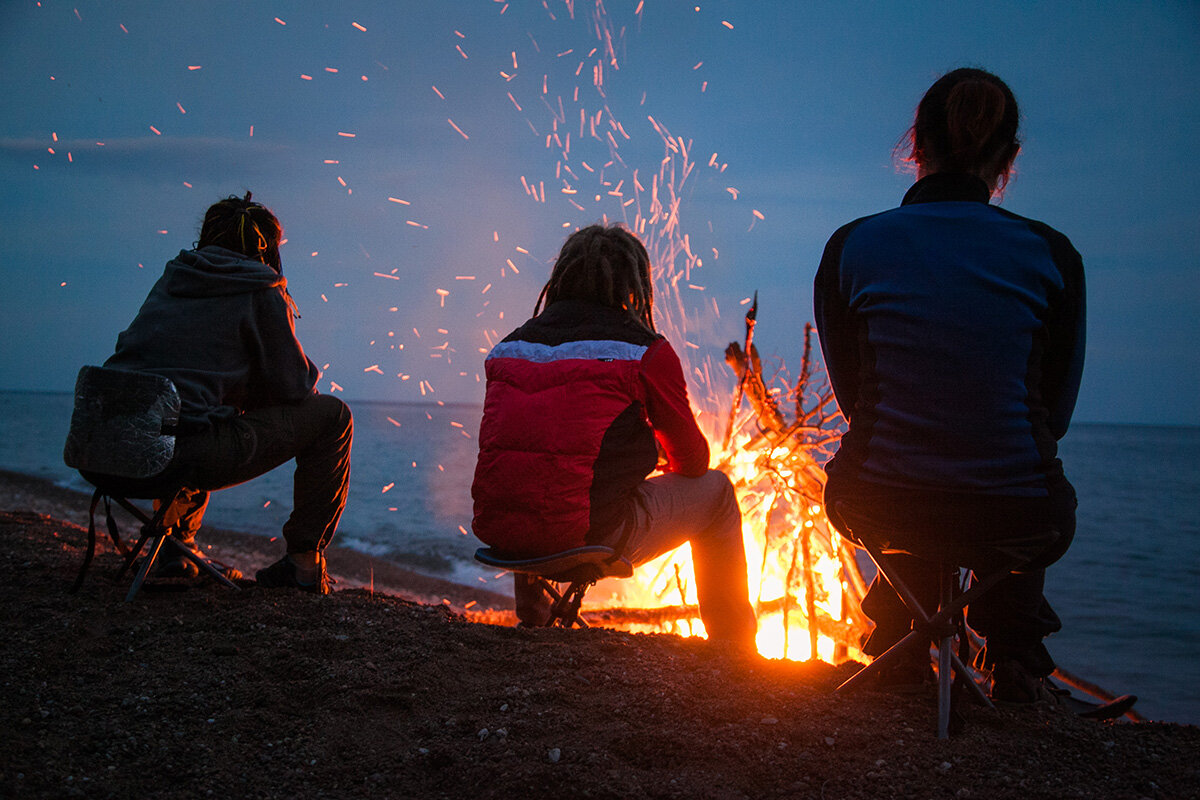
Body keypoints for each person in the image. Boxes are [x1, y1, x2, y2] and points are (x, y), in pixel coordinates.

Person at [813, 68, 1085, 701]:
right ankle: (1016, 661)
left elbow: (857, 401)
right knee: (1022, 469)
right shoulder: (1050, 254)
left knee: (898, 471)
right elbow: (1055, 409)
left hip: (875, 503)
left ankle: (899, 649)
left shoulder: (853, 246)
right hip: (1023, 516)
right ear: (1009, 159)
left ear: (916, 146)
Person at [471, 224, 757, 650]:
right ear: (635, 284)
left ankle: (534, 618)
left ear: (562, 278)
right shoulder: (644, 351)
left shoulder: (509, 347)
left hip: (501, 535)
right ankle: (734, 648)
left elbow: (531, 442)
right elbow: (695, 462)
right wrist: (650, 450)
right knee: (717, 493)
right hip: (586, 536)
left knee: (534, 473)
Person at [101, 192, 353, 594]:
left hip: (103, 450)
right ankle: (304, 564)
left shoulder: (173, 278)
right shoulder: (260, 287)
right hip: (171, 457)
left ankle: (176, 548)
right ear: (266, 246)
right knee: (333, 416)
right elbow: (295, 387)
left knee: (190, 408)